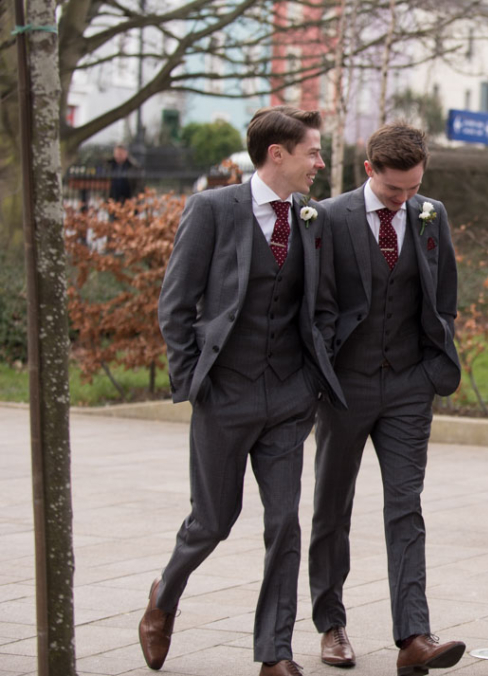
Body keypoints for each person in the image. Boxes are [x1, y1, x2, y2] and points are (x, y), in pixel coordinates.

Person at [139, 105, 342, 676]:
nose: (320, 163)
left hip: (288, 399)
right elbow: (175, 304)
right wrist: (194, 382)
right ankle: (164, 596)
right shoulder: (212, 209)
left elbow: (321, 304)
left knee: (284, 523)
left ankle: (274, 652)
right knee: (213, 519)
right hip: (224, 395)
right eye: (313, 152)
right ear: (277, 155)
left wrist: (310, 377)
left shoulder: (311, 217)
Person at [309, 122, 465, 676]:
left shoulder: (430, 214)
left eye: (413, 189)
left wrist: (426, 371)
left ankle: (414, 635)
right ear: (371, 169)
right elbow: (318, 303)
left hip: (408, 386)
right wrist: (325, 370)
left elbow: (444, 295)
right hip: (345, 386)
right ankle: (331, 623)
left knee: (407, 506)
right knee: (333, 505)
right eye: (395, 190)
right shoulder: (328, 217)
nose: (405, 200)